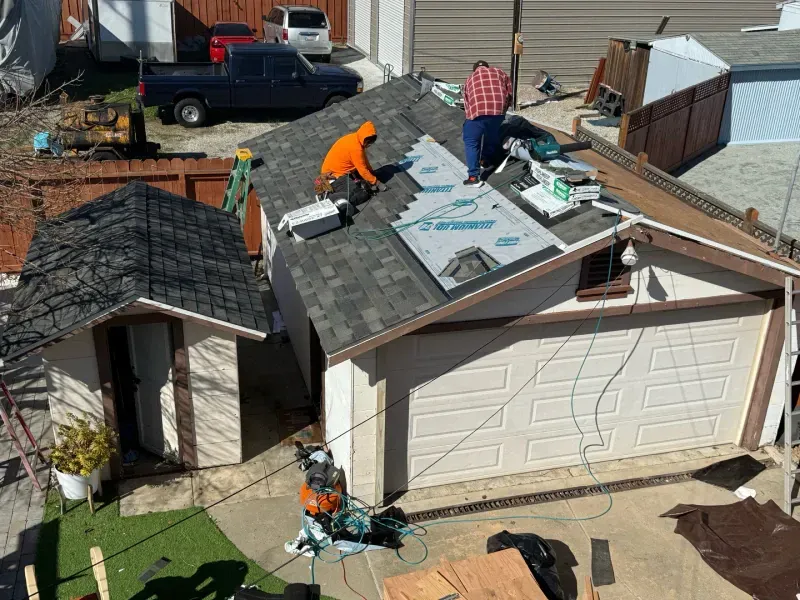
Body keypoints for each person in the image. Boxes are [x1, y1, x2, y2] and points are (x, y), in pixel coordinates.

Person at [461, 60, 513, 187]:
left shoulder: (469, 79)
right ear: (487, 67)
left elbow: (467, 104)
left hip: (478, 112)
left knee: (471, 141)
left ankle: (473, 177)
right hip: (498, 111)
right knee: (491, 133)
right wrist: (503, 111)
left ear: (475, 70)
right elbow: (509, 93)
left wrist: (469, 121)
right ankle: (487, 160)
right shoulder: (499, 72)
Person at [320, 121, 387, 193]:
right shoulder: (356, 149)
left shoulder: (355, 138)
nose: (369, 145)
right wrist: (377, 183)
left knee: (363, 177)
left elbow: (363, 159)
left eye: (371, 143)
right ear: (364, 139)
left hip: (330, 169)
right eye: (368, 142)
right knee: (358, 190)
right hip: (333, 175)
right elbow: (362, 170)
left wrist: (371, 171)